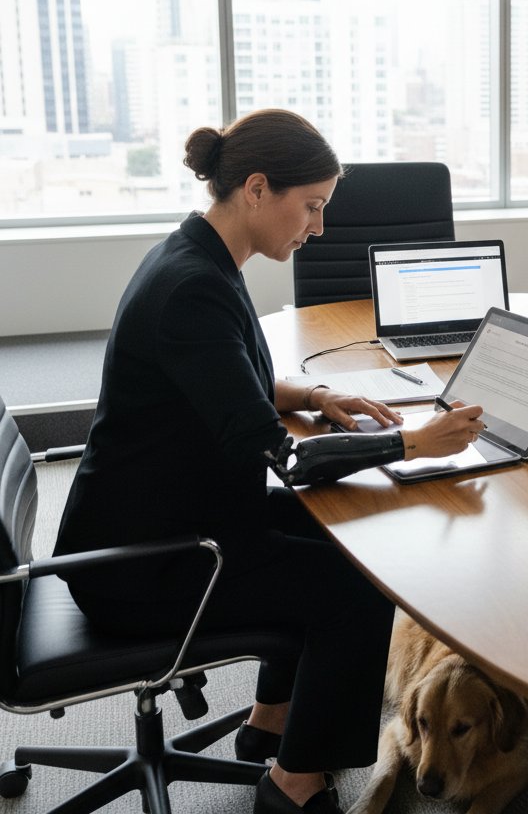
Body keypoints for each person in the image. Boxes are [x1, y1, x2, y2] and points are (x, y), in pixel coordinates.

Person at [53, 109, 485, 814]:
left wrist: (316, 392)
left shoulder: (198, 258)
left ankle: (274, 721)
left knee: (351, 538)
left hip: (168, 515)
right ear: (257, 189)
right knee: (356, 589)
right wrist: (414, 442)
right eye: (311, 207)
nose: (317, 229)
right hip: (142, 564)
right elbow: (285, 458)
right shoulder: (194, 288)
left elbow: (233, 383)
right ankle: (293, 783)